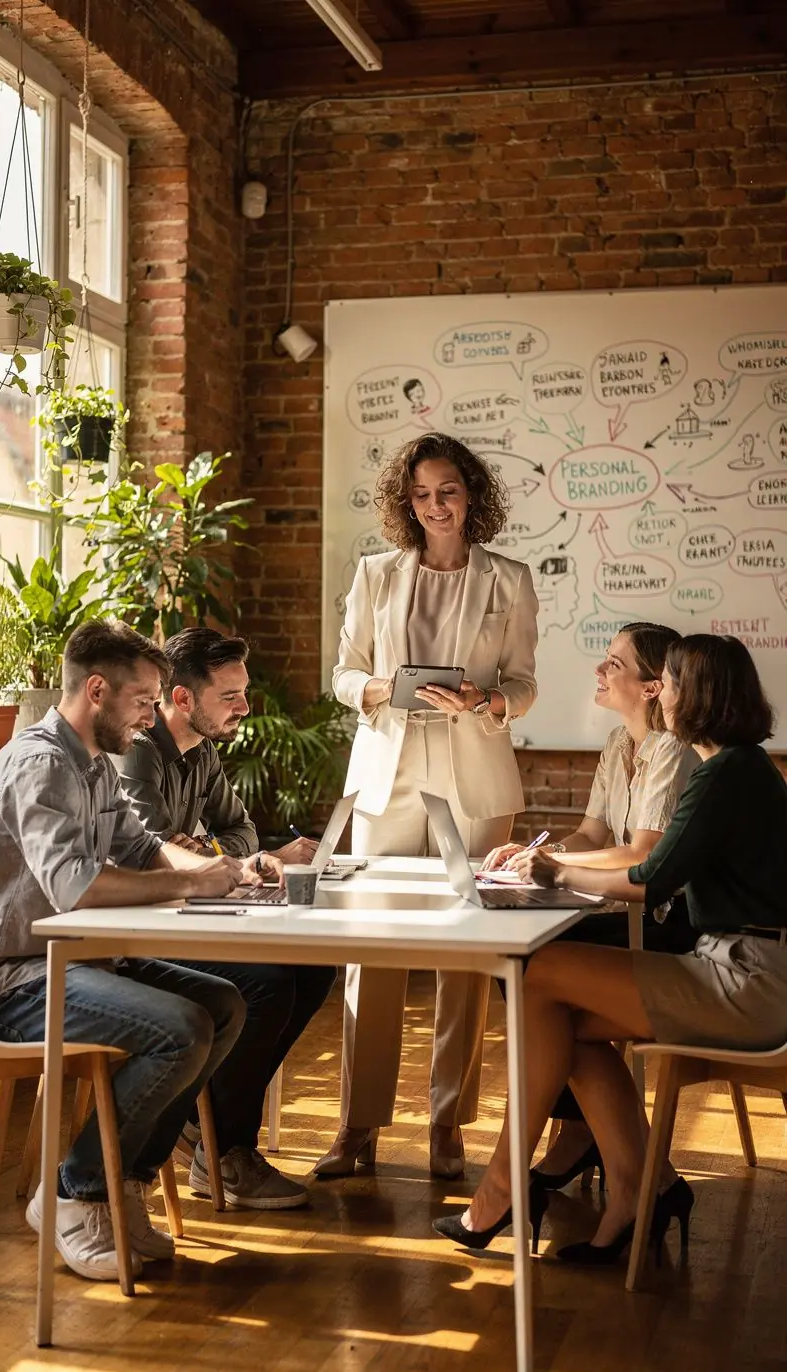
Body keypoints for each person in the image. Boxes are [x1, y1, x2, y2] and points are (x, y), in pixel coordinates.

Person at [434, 634, 787, 1263]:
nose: (663, 695)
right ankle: (639, 1190)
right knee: (560, 1019)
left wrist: (558, 872)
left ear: (693, 695)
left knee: (539, 975)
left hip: (747, 981)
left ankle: (506, 1189)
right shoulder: (737, 767)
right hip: (738, 968)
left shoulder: (723, 774)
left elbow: (651, 878)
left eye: (669, 684)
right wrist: (558, 866)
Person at [0, 620, 251, 1283]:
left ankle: (122, 1183)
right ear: (97, 690)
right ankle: (76, 1192)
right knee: (181, 1029)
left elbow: (143, 849)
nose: (152, 717)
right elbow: (76, 886)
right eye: (143, 701)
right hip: (13, 979)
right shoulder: (41, 764)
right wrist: (192, 882)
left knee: (223, 1004)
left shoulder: (93, 762)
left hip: (77, 961)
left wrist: (229, 871)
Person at [319, 432, 539, 1180]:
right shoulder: (375, 573)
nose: (435, 505)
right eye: (420, 494)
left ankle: (448, 1124)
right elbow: (344, 675)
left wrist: (484, 699)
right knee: (371, 949)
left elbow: (524, 683)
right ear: (404, 502)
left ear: (471, 494)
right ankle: (357, 1124)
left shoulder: (509, 579)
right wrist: (382, 688)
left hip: (474, 774)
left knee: (465, 956)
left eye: (447, 490)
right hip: (388, 771)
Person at [114, 627, 337, 1209]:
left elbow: (241, 831)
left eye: (244, 692)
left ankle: (203, 1128)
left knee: (314, 969)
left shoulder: (203, 751)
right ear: (182, 698)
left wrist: (210, 851)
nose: (245, 707)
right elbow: (152, 850)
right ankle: (227, 1151)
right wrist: (204, 854)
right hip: (138, 930)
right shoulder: (139, 749)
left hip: (184, 914)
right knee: (267, 984)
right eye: (230, 695)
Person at [482, 621, 700, 1188]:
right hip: (629, 910)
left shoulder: (673, 750)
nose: (599, 670)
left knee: (531, 965)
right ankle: (587, 1132)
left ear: (652, 687)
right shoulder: (617, 745)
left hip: (670, 923)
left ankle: (581, 1133)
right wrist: (539, 852)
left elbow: (641, 853)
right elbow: (591, 834)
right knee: (520, 957)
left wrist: (554, 867)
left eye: (614, 664)